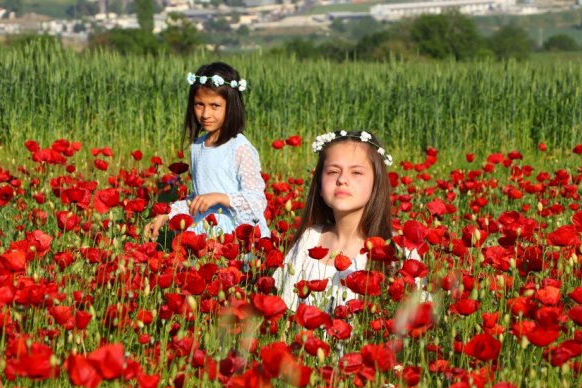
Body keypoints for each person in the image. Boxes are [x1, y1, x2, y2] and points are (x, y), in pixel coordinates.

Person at [273, 130, 421, 313]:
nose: (342, 180)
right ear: (319, 184)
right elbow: (283, 310)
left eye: (357, 172)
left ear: (377, 183)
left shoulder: (398, 251)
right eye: (333, 171)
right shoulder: (308, 240)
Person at [144, 62, 270, 240]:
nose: (205, 114)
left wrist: (220, 198)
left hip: (234, 236)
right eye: (199, 105)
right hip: (204, 232)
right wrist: (168, 214)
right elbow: (198, 199)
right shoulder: (197, 147)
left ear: (231, 105)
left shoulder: (240, 148)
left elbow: (256, 202)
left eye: (214, 106)